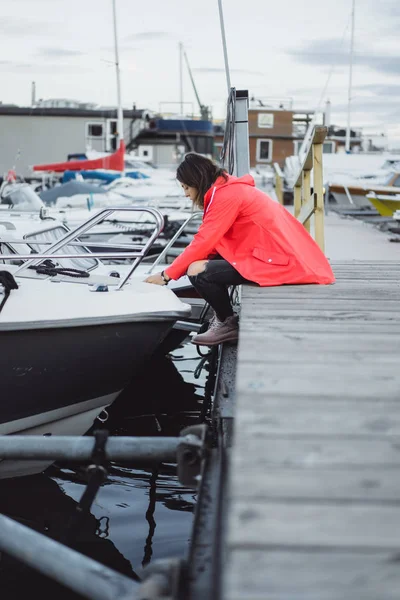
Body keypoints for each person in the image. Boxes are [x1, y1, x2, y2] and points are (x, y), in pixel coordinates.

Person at [145, 153, 335, 346]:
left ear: (197, 180)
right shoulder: (227, 190)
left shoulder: (226, 196)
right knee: (200, 264)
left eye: (186, 187)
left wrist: (166, 275)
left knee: (197, 271)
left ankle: (228, 323)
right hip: (276, 257)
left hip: (280, 263)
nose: (185, 194)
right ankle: (222, 319)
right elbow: (211, 242)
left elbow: (203, 241)